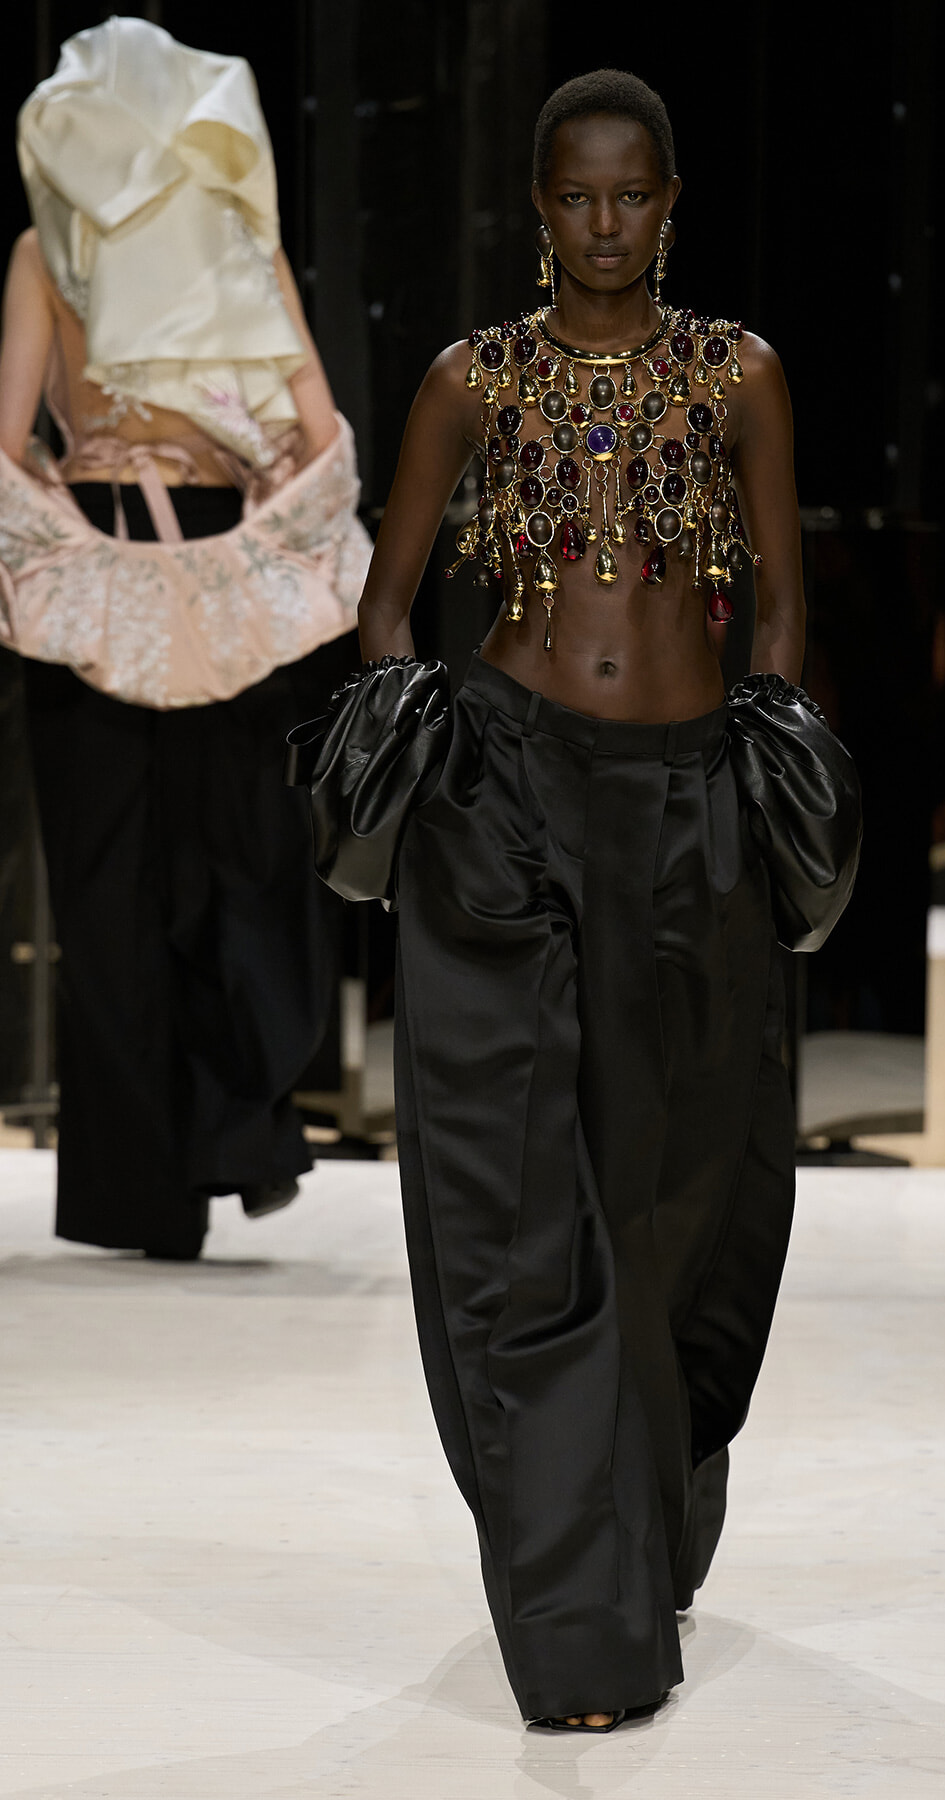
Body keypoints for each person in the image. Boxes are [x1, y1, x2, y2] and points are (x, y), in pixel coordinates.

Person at [353, 69, 849, 1730]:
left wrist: (766, 776)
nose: (607, 222)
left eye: (634, 194)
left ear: (672, 203)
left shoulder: (740, 374)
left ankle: (652, 1503)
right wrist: (429, 766)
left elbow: (782, 607)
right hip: (508, 789)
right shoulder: (471, 380)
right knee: (523, 1196)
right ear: (540, 207)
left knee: (673, 1187)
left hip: (691, 798)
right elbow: (387, 605)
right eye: (578, 195)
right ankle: (581, 1617)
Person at [0, 18, 371, 1259]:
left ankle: (142, 1191)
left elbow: (8, 441)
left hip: (100, 569)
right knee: (234, 874)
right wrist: (264, 532)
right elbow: (315, 436)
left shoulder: (49, 252)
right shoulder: (235, 244)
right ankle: (234, 1138)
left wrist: (67, 532)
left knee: (108, 891)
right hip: (224, 577)